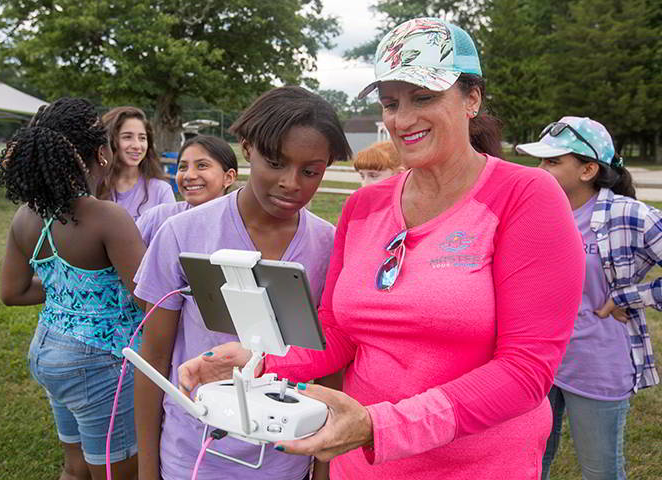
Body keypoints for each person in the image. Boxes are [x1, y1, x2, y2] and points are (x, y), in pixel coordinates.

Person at [178, 17, 586, 480]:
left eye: (424, 97)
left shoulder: (526, 196)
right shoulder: (364, 206)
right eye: (390, 103)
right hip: (361, 463)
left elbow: (524, 371)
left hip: (475, 465)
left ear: (472, 98)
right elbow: (339, 332)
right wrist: (259, 359)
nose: (402, 119)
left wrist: (380, 425)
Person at [132, 86, 351, 480]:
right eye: (275, 163)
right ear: (247, 148)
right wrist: (148, 471)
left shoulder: (331, 245)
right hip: (193, 454)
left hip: (286, 458)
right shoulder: (182, 233)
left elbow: (330, 361)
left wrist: (322, 469)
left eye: (310, 171)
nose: (290, 182)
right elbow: (154, 360)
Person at [0, 98, 146, 480]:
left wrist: (75, 291)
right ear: (101, 154)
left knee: (76, 468)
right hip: (101, 361)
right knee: (116, 471)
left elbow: (12, 291)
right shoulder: (107, 217)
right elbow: (148, 296)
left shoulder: (26, 215)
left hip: (49, 351)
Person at [516, 116, 661, 480]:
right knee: (530, 463)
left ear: (588, 170)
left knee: (599, 471)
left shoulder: (628, 215)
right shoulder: (536, 210)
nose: (540, 169)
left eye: (552, 162)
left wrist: (633, 295)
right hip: (538, 363)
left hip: (598, 367)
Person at [135, 134, 238, 245]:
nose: (189, 176)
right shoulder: (158, 217)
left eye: (202, 165)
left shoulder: (240, 226)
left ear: (228, 177)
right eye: (183, 167)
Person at [97, 106, 175, 220]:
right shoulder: (95, 187)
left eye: (142, 138)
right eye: (127, 137)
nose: (137, 146)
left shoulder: (161, 191)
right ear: (111, 141)